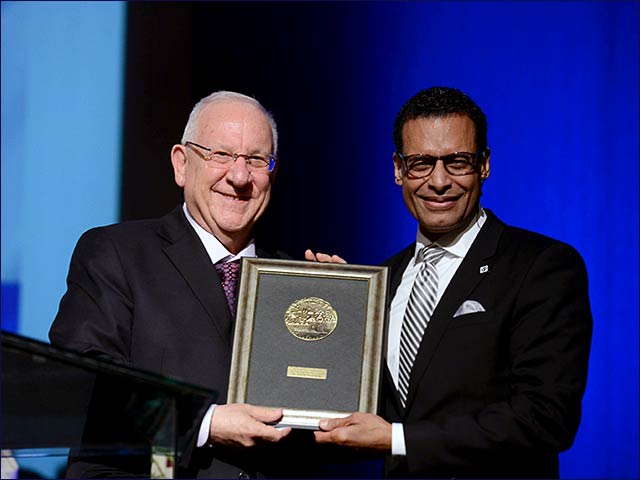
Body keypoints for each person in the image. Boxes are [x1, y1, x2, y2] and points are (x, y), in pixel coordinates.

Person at [312, 86, 593, 478]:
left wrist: (398, 439)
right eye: (421, 163)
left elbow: (546, 418)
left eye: (457, 161)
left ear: (484, 165)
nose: (439, 181)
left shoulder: (542, 267)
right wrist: (330, 312)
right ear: (398, 169)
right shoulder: (382, 281)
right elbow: (356, 415)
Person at [49, 91, 294, 478]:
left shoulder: (297, 281)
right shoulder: (116, 253)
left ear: (272, 174)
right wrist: (204, 423)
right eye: (221, 155)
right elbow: (85, 383)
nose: (240, 176)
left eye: (256, 160)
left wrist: (343, 307)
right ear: (181, 164)